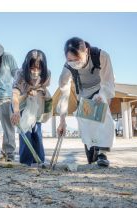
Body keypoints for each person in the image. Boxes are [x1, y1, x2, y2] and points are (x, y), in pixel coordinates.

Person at [57, 37, 115, 167]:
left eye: (77, 59)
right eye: (69, 60)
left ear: (86, 51)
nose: (73, 63)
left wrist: (103, 95)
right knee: (87, 127)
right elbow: (64, 93)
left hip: (100, 90)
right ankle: (92, 153)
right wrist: (62, 121)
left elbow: (109, 81)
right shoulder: (68, 67)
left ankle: (103, 153)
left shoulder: (101, 56)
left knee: (102, 119)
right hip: (83, 94)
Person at [11, 49, 51, 166]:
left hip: (37, 104)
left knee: (37, 132)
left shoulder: (47, 73)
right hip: (22, 104)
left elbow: (44, 87)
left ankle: (39, 161)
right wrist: (16, 111)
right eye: (32, 68)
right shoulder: (21, 73)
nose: (35, 71)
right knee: (25, 132)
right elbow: (15, 94)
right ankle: (25, 163)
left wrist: (38, 92)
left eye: (38, 68)